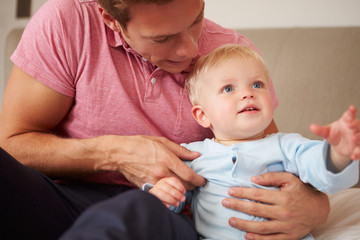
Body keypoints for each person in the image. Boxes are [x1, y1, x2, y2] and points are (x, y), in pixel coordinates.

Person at [0, 0, 329, 239]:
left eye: (196, 18)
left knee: (132, 211)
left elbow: (269, 158)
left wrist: (317, 207)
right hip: (65, 197)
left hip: (166, 214)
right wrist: (114, 153)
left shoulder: (232, 55)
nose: (190, 49)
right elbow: (12, 144)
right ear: (111, 20)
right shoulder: (68, 22)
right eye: (162, 38)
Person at [144, 45, 360, 240]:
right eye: (228, 89)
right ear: (203, 115)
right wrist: (164, 193)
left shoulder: (285, 145)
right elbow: (173, 196)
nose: (248, 93)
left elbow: (320, 169)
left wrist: (339, 154)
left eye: (257, 84)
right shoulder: (194, 155)